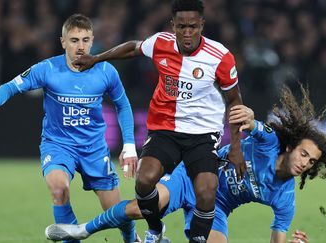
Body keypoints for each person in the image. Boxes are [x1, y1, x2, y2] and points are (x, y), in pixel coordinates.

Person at [44, 85, 326, 243]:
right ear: (290, 147)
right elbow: (252, 123)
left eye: (311, 162)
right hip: (192, 177)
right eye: (304, 154)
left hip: (216, 208)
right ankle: (82, 230)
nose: (304, 163)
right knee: (144, 207)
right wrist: (246, 115)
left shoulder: (285, 198)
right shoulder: (269, 143)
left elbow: (277, 240)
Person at [73, 0, 245, 242]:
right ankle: (155, 229)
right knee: (143, 181)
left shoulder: (220, 57)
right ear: (173, 25)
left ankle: (197, 239)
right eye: (182, 26)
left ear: (202, 25)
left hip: (204, 134)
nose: (187, 32)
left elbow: (235, 101)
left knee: (207, 192)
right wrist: (96, 58)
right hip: (165, 128)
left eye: (193, 27)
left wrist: (236, 148)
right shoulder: (161, 42)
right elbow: (134, 47)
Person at [0, 14, 140, 243]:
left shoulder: (106, 71)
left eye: (85, 40)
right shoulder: (48, 69)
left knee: (115, 211)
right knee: (58, 189)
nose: (80, 46)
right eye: (74, 40)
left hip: (94, 149)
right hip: (58, 144)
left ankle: (133, 240)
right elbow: (11, 86)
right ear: (62, 42)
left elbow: (123, 105)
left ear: (92, 41)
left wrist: (130, 145)